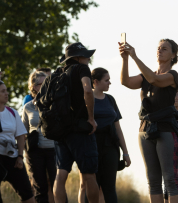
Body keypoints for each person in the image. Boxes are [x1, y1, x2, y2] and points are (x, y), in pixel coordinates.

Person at [119, 39, 178, 203]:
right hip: (145, 129)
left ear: (173, 55)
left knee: (170, 179)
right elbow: (125, 81)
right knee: (153, 181)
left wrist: (135, 57)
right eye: (158, 48)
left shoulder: (172, 75)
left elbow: (155, 79)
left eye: (165, 48)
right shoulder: (145, 76)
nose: (160, 50)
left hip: (165, 129)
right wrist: (125, 58)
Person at [53, 42, 100, 203]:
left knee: (60, 175)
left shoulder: (58, 73)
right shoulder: (82, 68)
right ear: (78, 57)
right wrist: (91, 118)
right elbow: (88, 89)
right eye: (86, 55)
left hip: (60, 130)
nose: (88, 58)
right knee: (88, 174)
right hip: (79, 130)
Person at [79, 68, 131, 203]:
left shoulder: (110, 99)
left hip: (111, 146)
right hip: (91, 145)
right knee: (91, 185)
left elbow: (118, 128)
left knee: (109, 187)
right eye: (106, 80)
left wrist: (125, 153)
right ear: (95, 81)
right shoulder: (85, 99)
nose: (109, 83)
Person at [0, 80, 35, 203]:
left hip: (13, 159)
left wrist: (20, 156)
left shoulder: (12, 112)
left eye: (6, 90)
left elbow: (21, 135)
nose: (6, 93)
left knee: (28, 194)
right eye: (2, 91)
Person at [22, 70, 58, 203]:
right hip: (35, 152)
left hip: (54, 150)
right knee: (39, 188)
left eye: (47, 83)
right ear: (34, 87)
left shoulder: (56, 104)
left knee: (58, 185)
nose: (46, 86)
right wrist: (23, 153)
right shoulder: (28, 107)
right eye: (42, 83)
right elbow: (23, 131)